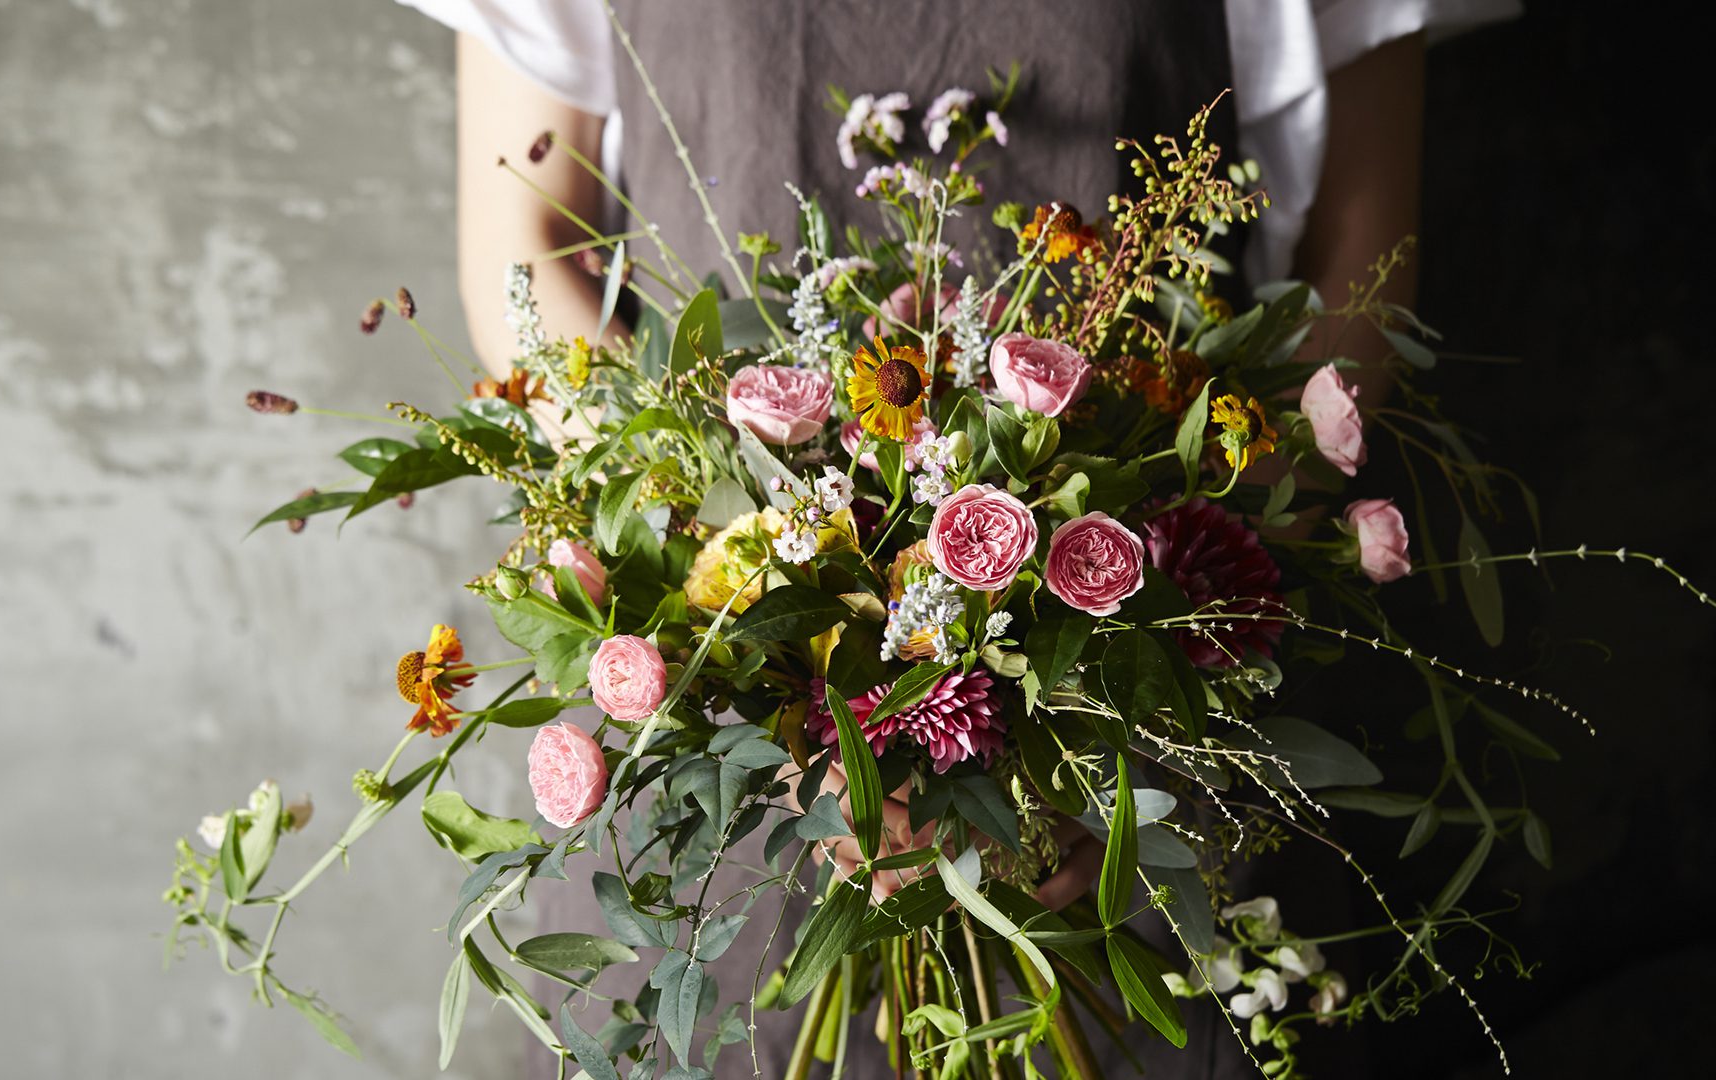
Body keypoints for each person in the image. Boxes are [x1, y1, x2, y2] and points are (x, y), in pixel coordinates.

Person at [400, 1, 1518, 1074]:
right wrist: (748, 628)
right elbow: (525, 245)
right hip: (731, 737)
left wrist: (1097, 691)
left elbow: (1362, 260)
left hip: (1133, 733)